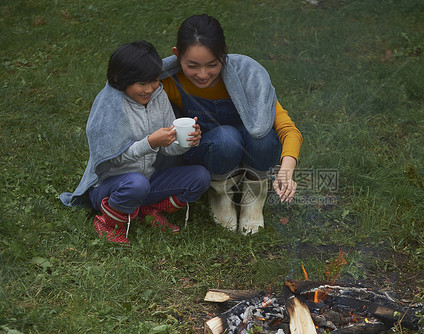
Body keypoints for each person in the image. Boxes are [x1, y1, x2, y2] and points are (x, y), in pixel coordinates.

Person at [160, 14, 303, 234]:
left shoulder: (248, 77)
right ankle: (220, 194)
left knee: (263, 137)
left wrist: (286, 170)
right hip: (209, 151)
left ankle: (254, 195)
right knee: (227, 138)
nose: (202, 74)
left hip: (250, 149)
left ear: (223, 53)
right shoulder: (169, 81)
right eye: (192, 66)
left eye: (212, 64)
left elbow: (288, 130)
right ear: (177, 55)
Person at [60, 41, 211, 243]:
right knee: (135, 183)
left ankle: (147, 211)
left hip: (148, 180)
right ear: (119, 80)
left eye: (155, 80)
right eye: (142, 84)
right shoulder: (111, 106)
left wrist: (186, 141)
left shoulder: (159, 96)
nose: (149, 89)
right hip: (109, 186)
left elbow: (168, 149)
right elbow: (111, 159)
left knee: (200, 176)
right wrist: (150, 142)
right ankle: (108, 221)